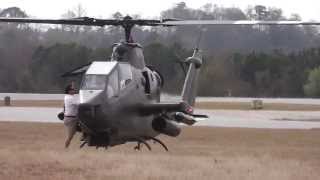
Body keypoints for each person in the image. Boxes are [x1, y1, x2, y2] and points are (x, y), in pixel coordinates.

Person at [63, 84, 79, 148]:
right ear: (69, 91)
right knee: (70, 136)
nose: (74, 90)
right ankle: (65, 148)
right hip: (71, 119)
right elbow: (80, 104)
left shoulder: (67, 97)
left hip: (70, 118)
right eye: (72, 89)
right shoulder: (70, 98)